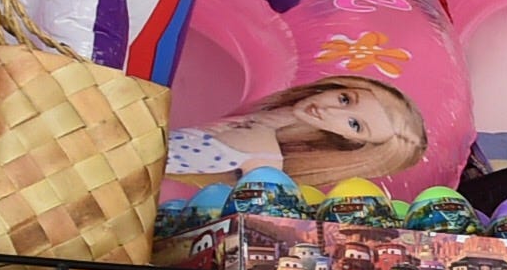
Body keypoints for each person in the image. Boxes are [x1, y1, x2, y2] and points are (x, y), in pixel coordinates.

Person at [166, 74, 430, 189]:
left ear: (352, 144)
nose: (330, 111)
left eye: (354, 124)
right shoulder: (260, 120)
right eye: (345, 99)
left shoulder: (262, 160)